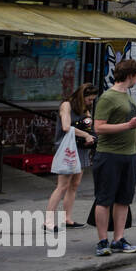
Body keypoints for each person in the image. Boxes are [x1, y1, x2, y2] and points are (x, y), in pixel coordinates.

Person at [92, 58, 136, 256]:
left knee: (124, 199)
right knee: (104, 199)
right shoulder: (108, 97)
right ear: (130, 75)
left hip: (129, 155)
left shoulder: (129, 97)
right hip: (109, 155)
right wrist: (128, 125)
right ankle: (102, 241)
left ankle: (118, 239)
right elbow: (98, 127)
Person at [47, 83, 97, 229]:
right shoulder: (66, 105)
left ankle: (67, 218)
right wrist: (86, 134)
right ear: (82, 97)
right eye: (89, 99)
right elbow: (66, 127)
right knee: (62, 186)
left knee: (74, 186)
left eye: (93, 99)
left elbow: (88, 125)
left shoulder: (85, 109)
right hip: (67, 149)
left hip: (80, 149)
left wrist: (91, 135)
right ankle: (48, 221)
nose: (91, 102)